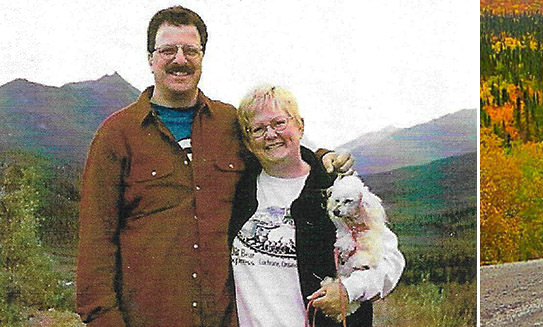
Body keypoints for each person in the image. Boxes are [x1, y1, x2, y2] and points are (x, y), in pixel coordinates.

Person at [76, 6, 351, 326]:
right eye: (167, 50)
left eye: (190, 50)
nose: (180, 59)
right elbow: (96, 245)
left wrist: (321, 157)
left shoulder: (229, 124)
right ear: (150, 59)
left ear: (202, 56)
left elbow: (276, 150)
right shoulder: (116, 135)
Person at [228, 85, 403, 327]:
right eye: (258, 129)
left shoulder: (336, 188)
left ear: (300, 126)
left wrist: (348, 290)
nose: (270, 134)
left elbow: (391, 260)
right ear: (248, 142)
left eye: (279, 123)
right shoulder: (239, 190)